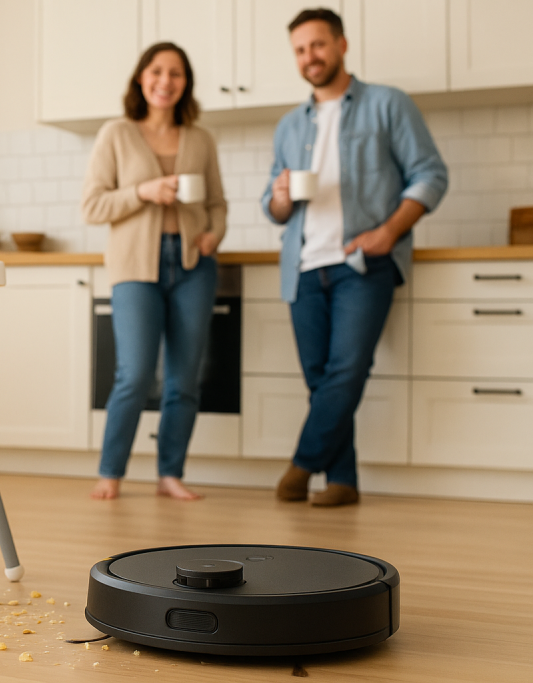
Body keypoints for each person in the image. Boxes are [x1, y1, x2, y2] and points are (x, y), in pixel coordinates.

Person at [261, 9, 448, 506]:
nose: (309, 57)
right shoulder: (288, 125)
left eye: (318, 45)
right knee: (321, 380)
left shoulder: (388, 104)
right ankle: (342, 481)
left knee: (346, 369)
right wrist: (280, 195)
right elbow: (273, 207)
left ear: (342, 45)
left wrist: (388, 231)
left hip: (361, 265)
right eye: (300, 50)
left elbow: (430, 174)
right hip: (301, 269)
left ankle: (302, 465)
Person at [82, 43, 227, 501]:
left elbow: (218, 204)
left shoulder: (200, 138)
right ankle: (111, 472)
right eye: (157, 71)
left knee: (184, 379)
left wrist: (213, 235)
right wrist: (143, 190)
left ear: (186, 83)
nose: (166, 81)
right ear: (141, 78)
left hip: (192, 264)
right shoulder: (117, 134)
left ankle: (170, 474)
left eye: (177, 74)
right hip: (134, 266)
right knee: (136, 373)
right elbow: (92, 205)